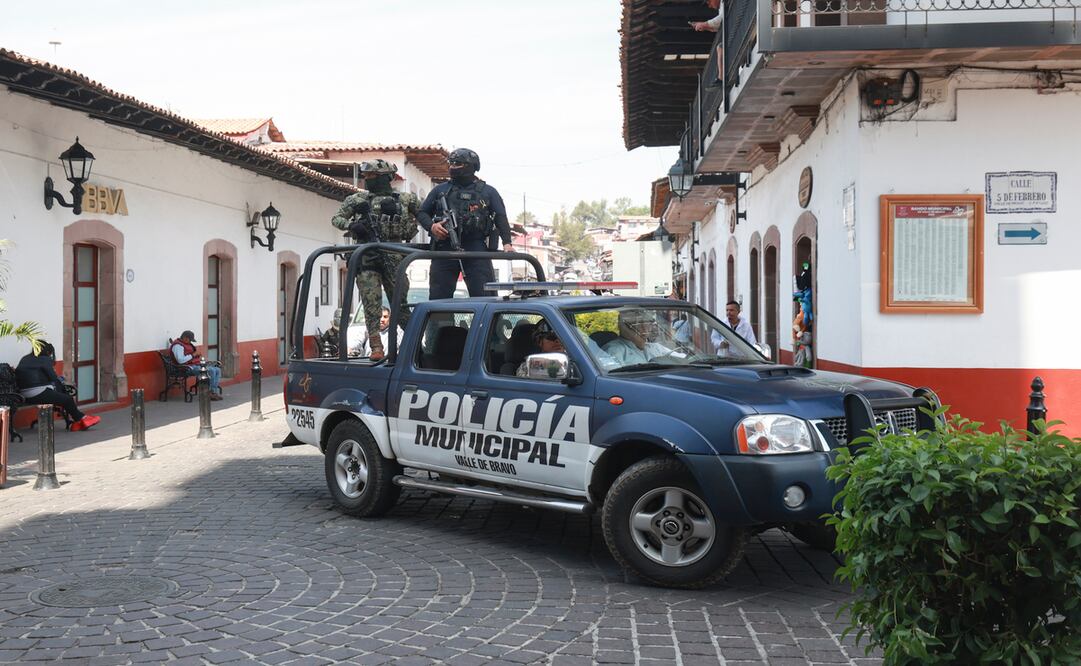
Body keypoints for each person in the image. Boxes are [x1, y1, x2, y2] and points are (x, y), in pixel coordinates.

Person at [331, 159, 419, 361]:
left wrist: (400, 215)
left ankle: (414, 343)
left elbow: (424, 215)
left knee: (400, 304)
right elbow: (336, 219)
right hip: (367, 258)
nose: (368, 179)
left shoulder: (405, 199)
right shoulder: (357, 200)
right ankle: (376, 346)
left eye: (373, 176)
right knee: (371, 303)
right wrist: (353, 226)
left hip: (394, 258)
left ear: (386, 178)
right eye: (366, 176)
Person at [416, 148, 514, 299]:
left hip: (475, 249)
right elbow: (422, 213)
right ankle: (443, 324)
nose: (453, 167)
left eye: (458, 163)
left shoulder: (488, 192)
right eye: (451, 163)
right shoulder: (440, 190)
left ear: (471, 166)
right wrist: (432, 227)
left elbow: (500, 217)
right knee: (439, 300)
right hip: (445, 248)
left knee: (485, 298)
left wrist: (507, 243)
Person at [15, 341, 101, 431]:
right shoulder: (44, 359)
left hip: (23, 394)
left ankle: (78, 421)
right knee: (67, 398)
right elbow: (53, 377)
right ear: (47, 351)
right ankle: (81, 419)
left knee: (62, 393)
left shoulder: (25, 358)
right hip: (37, 393)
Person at [602, 309, 672, 365]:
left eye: (648, 322)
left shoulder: (656, 347)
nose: (645, 329)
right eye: (638, 324)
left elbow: (681, 359)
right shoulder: (614, 350)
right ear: (625, 326)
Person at [171, 330, 222, 400]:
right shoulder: (178, 346)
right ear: (185, 338)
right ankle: (209, 393)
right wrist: (193, 355)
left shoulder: (185, 344)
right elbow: (180, 360)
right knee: (211, 371)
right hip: (186, 368)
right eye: (190, 340)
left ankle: (213, 392)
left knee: (217, 369)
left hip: (194, 365)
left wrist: (197, 356)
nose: (190, 342)